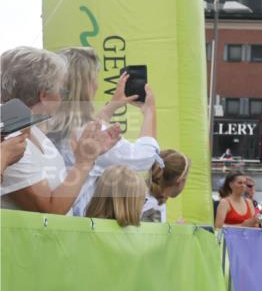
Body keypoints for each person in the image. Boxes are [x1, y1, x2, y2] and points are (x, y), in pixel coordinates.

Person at [0, 46, 120, 213]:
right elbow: (50, 210)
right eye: (62, 91)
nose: (63, 97)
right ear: (44, 95)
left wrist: (87, 156)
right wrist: (83, 163)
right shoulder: (10, 139)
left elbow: (61, 190)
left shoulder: (31, 130)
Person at [45, 48, 160, 217]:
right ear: (85, 85)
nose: (97, 86)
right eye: (94, 80)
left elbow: (81, 127)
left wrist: (111, 107)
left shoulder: (46, 123)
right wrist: (149, 111)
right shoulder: (84, 132)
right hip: (74, 222)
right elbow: (144, 158)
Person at [142, 149, 189, 223]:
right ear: (180, 182)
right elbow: (150, 234)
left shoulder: (148, 196)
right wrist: (177, 232)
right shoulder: (153, 205)